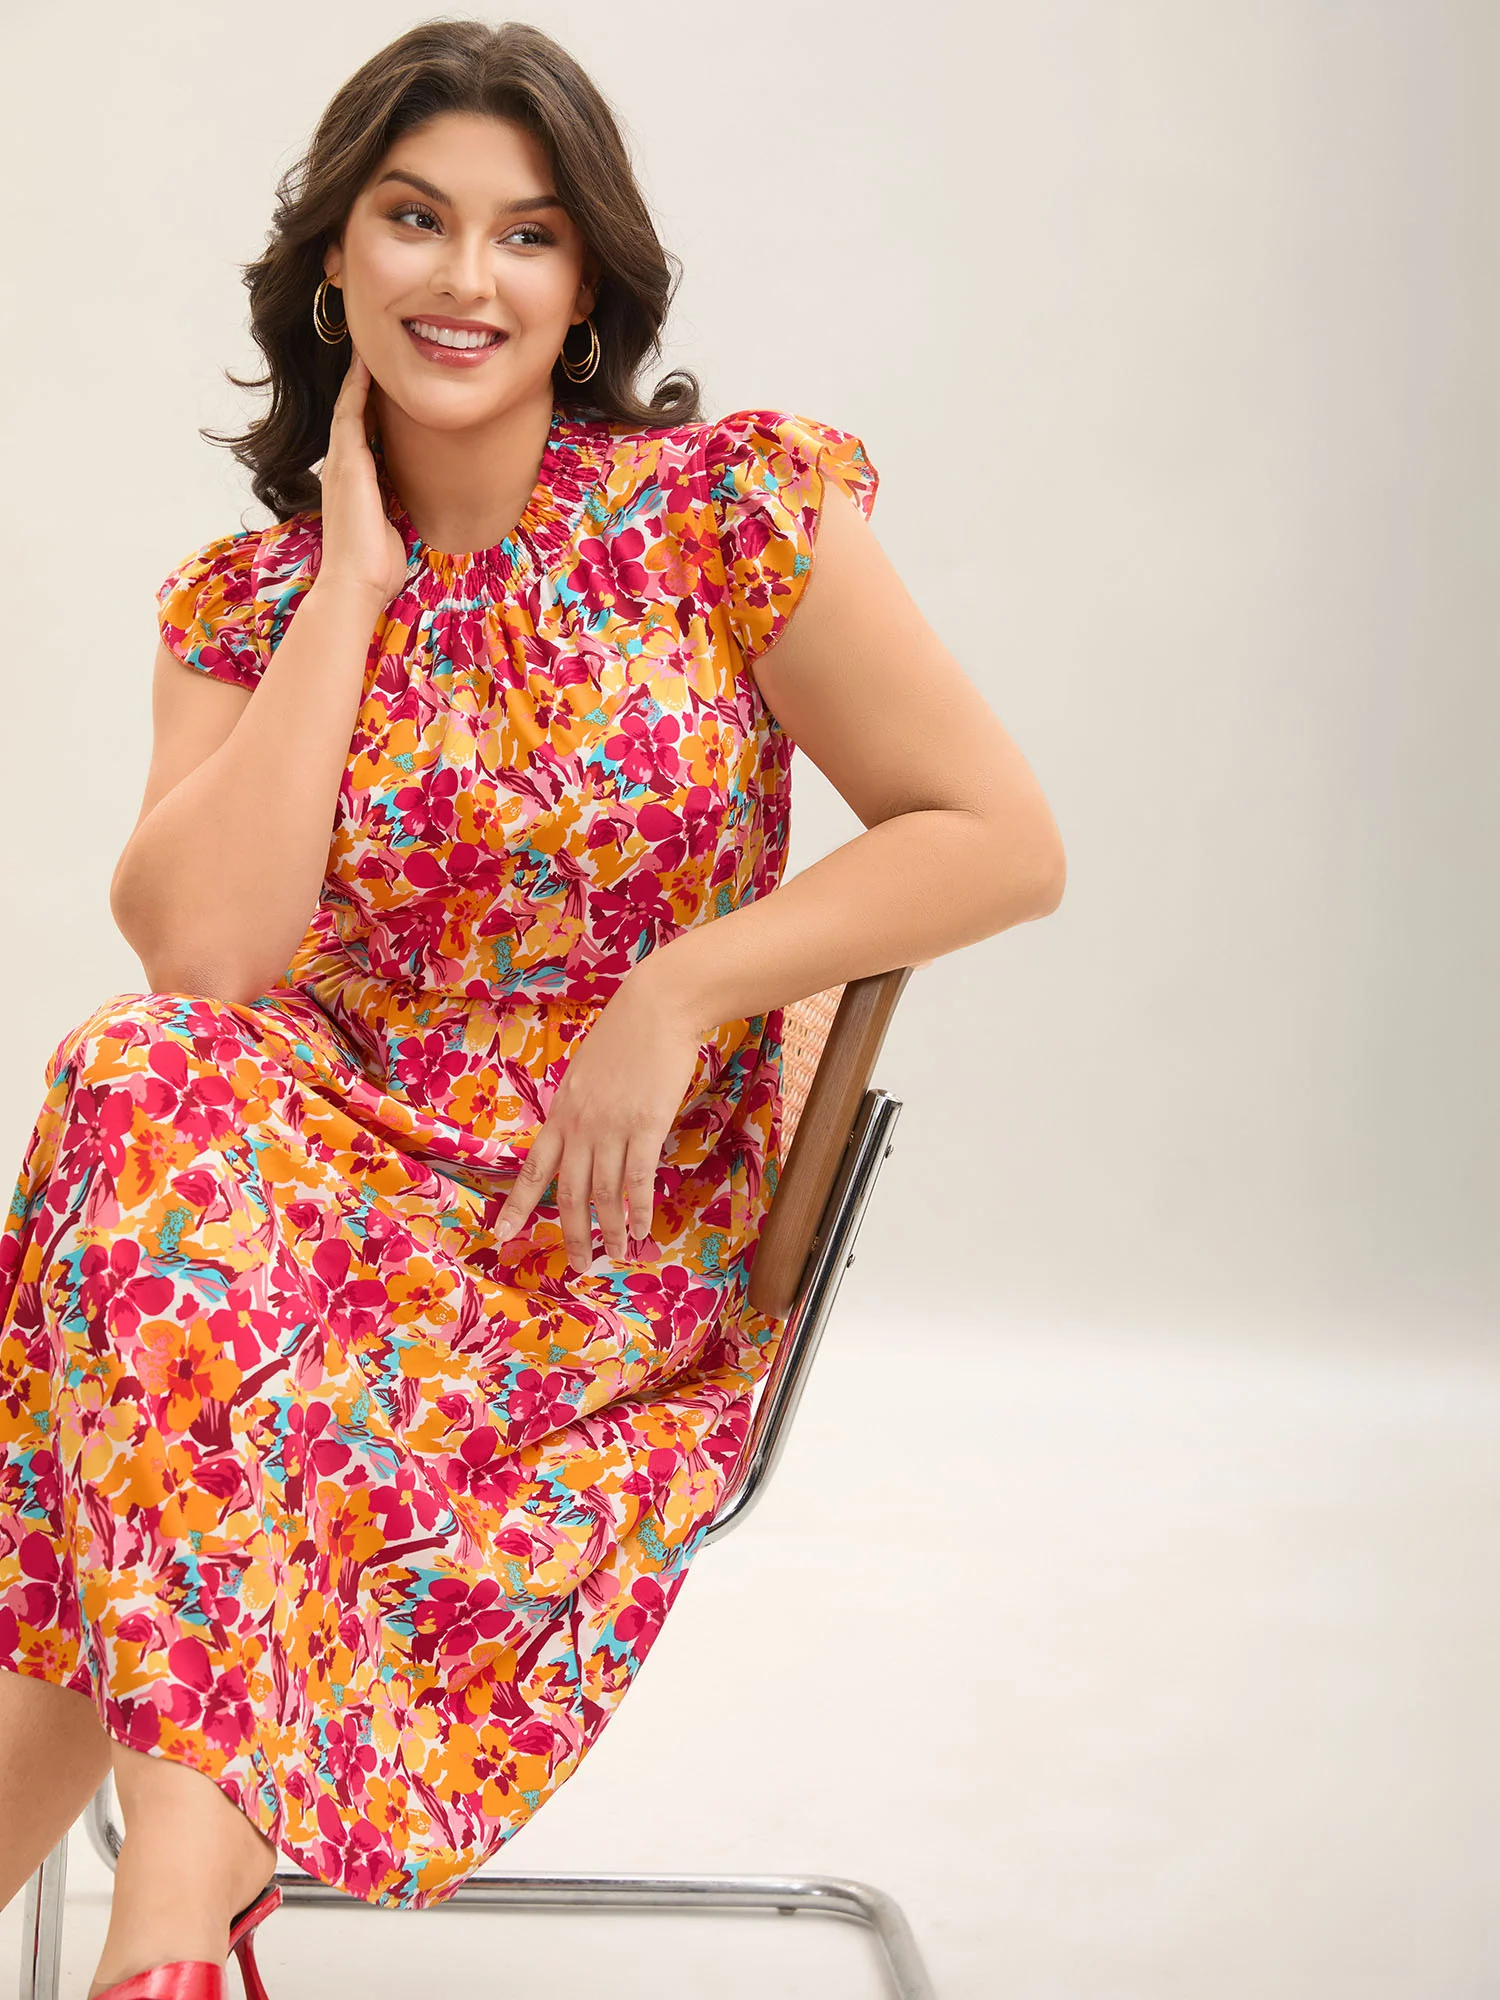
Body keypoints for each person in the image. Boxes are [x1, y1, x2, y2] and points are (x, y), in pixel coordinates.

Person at [0, 18, 1066, 1999]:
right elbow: (207, 965)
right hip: (286, 1223)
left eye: (527, 233)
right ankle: (169, 1944)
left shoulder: (723, 516)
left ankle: (171, 1925)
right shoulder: (247, 606)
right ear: (337, 259)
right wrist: (350, 583)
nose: (467, 278)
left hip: (592, 1236)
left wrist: (685, 984)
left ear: (587, 289)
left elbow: (997, 835)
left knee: (117, 1398)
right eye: (416, 220)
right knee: (139, 1084)